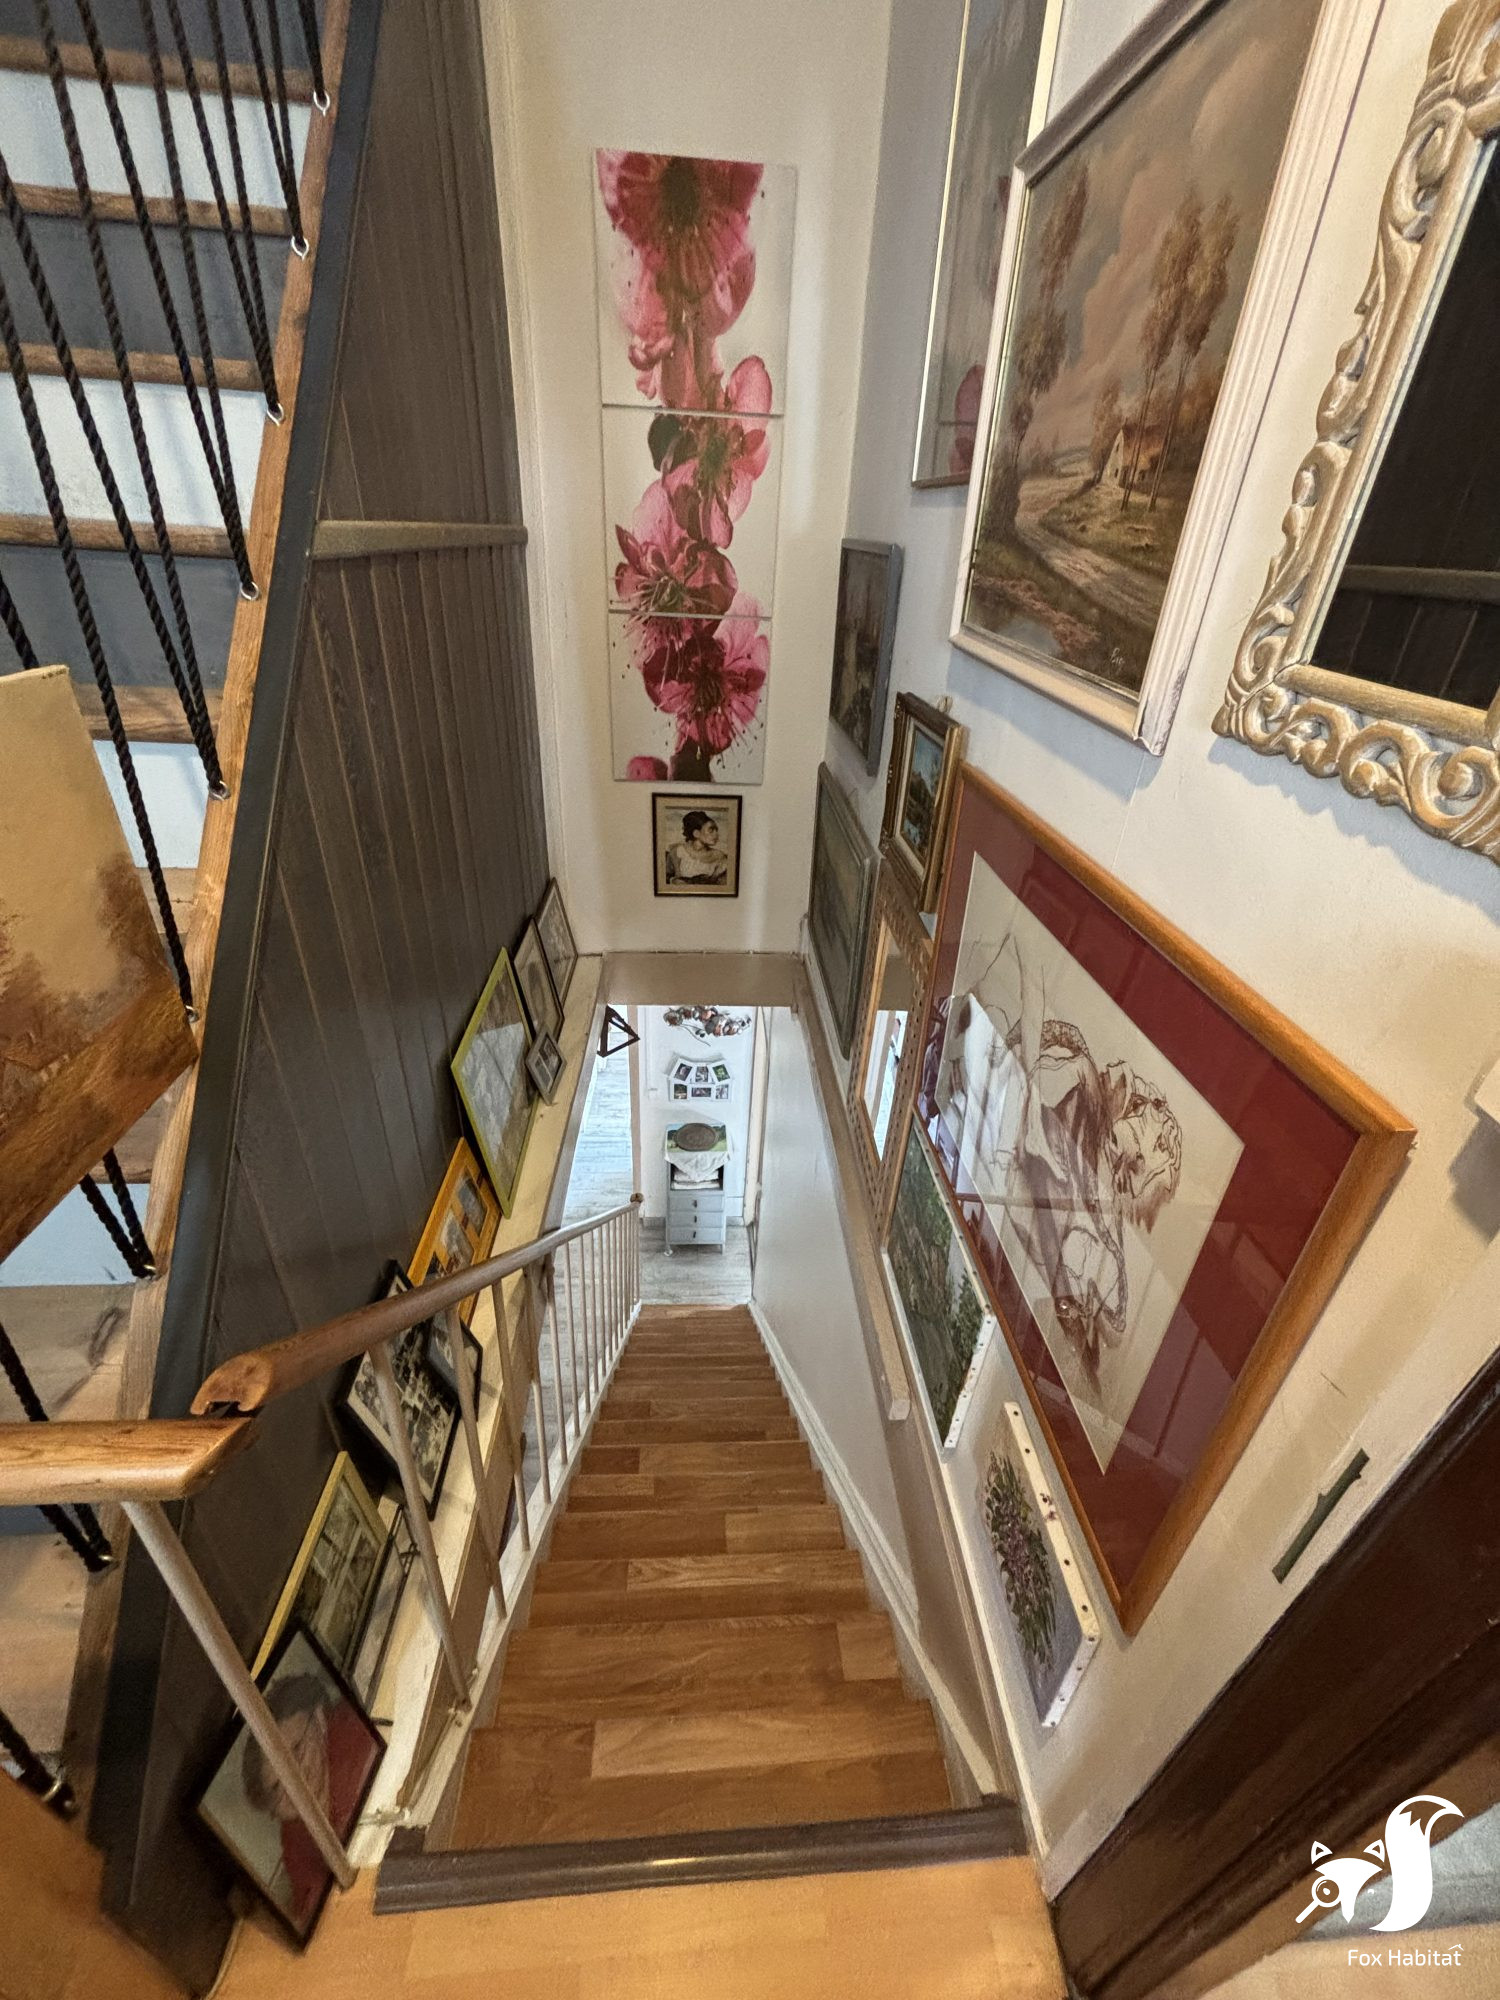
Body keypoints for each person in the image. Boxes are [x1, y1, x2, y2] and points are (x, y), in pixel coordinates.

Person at [241, 1668, 374, 1932]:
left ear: (320, 1720)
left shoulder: (352, 1733)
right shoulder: (295, 1839)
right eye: (277, 1786)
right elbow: (315, 1912)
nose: (295, 1782)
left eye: (297, 1751)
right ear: (274, 1811)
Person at [666, 809, 729, 885]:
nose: (716, 834)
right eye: (711, 830)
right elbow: (665, 878)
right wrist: (674, 881)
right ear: (696, 833)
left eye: (716, 830)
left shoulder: (719, 857)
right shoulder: (677, 852)